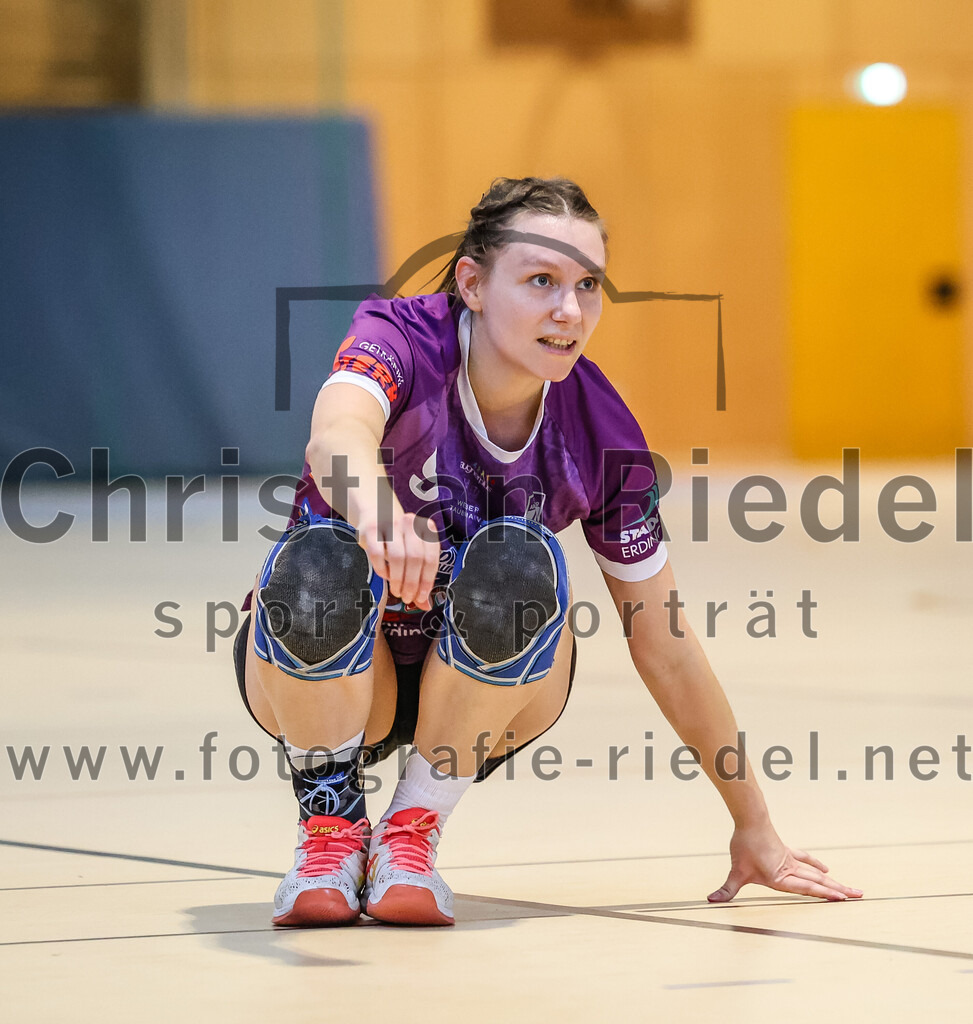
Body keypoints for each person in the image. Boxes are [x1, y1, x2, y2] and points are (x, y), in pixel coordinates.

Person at [232, 176, 862, 928]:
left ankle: (410, 834)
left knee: (518, 559)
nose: (569, 311)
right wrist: (381, 515)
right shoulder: (398, 337)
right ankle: (329, 833)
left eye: (586, 286)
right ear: (471, 281)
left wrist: (752, 822)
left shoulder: (600, 430)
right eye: (540, 282)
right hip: (336, 672)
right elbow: (336, 436)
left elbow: (664, 644)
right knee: (319, 558)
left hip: (489, 692)